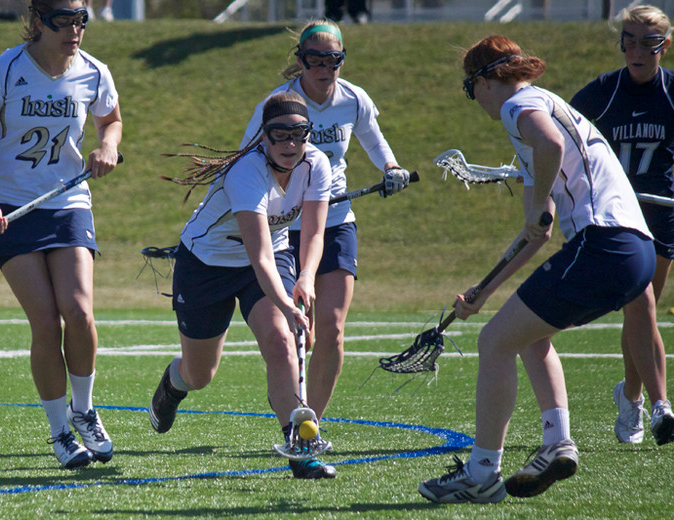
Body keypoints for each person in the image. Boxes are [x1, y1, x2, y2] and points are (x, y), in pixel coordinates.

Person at [418, 35, 656, 504]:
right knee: (526, 334)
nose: (476, 101)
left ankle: (481, 472)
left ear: (486, 80)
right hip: (635, 250)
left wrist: (540, 199)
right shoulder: (544, 105)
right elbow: (538, 231)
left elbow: (547, 147)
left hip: (604, 242)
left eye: (471, 89)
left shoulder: (519, 106)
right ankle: (556, 443)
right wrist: (485, 292)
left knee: (495, 342)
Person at [0, 0, 122, 469]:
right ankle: (59, 433)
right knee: (47, 321)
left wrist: (107, 145)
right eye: (63, 22)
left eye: (81, 21)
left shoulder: (94, 72)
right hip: (10, 206)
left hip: (67, 202)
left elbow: (110, 120)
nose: (74, 30)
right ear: (37, 22)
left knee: (80, 312)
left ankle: (85, 410)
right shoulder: (4, 71)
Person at [149, 91, 336, 479]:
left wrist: (305, 277)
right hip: (207, 265)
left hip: (272, 257)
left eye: (298, 134)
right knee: (201, 374)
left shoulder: (317, 165)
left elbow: (314, 235)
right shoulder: (246, 173)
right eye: (279, 134)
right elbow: (259, 255)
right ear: (262, 137)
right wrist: (287, 305)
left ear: (308, 135)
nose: (289, 144)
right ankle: (173, 383)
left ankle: (300, 448)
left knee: (281, 340)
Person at [240, 21, 410, 436]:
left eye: (333, 60)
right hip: (287, 226)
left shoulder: (354, 99)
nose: (324, 68)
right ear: (300, 61)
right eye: (314, 60)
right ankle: (290, 402)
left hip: (335, 222)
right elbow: (247, 156)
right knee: (302, 334)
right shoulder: (281, 104)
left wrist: (390, 168)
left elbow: (374, 140)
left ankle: (307, 423)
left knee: (332, 329)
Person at [570, 4, 674, 446]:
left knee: (642, 315)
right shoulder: (603, 93)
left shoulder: (671, 93)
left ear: (663, 47)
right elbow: (561, 136)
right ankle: (660, 407)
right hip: (619, 214)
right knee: (640, 304)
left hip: (663, 213)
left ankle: (629, 395)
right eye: (627, 40)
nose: (635, 50)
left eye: (647, 43)